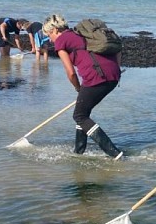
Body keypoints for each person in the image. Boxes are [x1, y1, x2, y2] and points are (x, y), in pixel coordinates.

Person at [44, 13, 123, 159]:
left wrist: (78, 88)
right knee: (83, 113)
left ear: (55, 30)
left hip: (96, 77)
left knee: (79, 116)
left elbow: (71, 73)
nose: (50, 39)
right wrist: (116, 68)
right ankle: (79, 151)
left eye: (49, 34)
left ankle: (115, 154)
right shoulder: (81, 33)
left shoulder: (61, 41)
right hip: (113, 76)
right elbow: (118, 48)